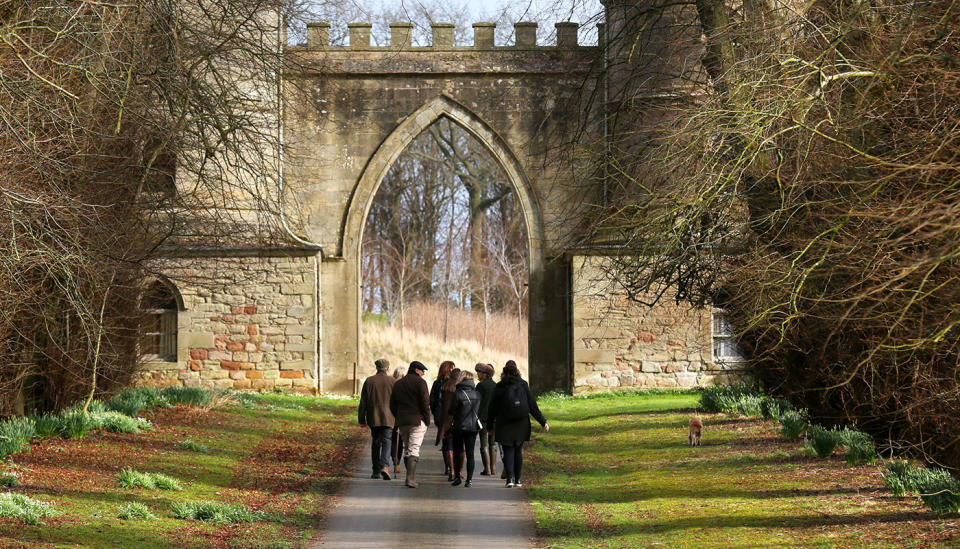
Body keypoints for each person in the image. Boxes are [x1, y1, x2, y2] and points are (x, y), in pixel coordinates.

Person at [486, 360, 549, 488]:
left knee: (508, 451)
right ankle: (518, 480)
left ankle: (509, 479)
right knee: (518, 451)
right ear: (517, 371)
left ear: (504, 372)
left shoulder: (499, 386)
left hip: (504, 422)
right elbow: (532, 406)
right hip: (522, 422)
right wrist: (543, 422)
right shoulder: (523, 385)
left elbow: (492, 408)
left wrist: (489, 426)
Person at [389, 361, 431, 488]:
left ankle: (409, 477)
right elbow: (425, 403)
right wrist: (427, 420)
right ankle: (410, 479)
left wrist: (398, 416)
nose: (423, 373)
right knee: (414, 448)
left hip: (402, 421)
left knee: (407, 448)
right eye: (422, 371)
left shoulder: (398, 384)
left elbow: (392, 404)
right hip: (417, 420)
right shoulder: (420, 383)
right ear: (417, 370)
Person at [357, 358, 396, 480]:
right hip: (389, 417)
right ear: (388, 368)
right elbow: (398, 401)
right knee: (387, 441)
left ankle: (375, 471)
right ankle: (385, 466)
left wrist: (361, 419)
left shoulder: (369, 381)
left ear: (376, 368)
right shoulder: (393, 381)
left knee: (376, 443)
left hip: (373, 417)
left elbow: (363, 402)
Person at [448, 370, 482, 487]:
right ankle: (469, 480)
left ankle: (457, 477)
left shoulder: (457, 394)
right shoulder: (477, 394)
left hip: (459, 427)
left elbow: (452, 411)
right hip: (473, 427)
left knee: (458, 452)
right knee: (470, 453)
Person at [436, 368, 464, 481]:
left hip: (446, 420)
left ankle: (451, 471)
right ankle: (460, 471)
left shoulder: (444, 387)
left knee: (449, 447)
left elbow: (439, 403)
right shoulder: (460, 388)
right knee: (461, 447)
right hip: (458, 419)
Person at [430, 361, 455, 477]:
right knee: (451, 442)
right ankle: (452, 468)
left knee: (445, 441)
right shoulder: (454, 383)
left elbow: (432, 401)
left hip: (440, 416)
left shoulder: (437, 383)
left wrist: (436, 413)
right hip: (451, 416)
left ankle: (447, 467)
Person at [474, 363, 497, 476]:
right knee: (493, 443)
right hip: (495, 419)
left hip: (482, 418)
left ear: (485, 374)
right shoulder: (496, 385)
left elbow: (476, 402)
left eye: (479, 372)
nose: (477, 374)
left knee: (484, 444)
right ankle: (493, 468)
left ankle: (487, 469)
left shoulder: (480, 386)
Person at [390, 367, 405, 474]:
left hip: (392, 415)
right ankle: (396, 462)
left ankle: (395, 461)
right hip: (399, 415)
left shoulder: (391, 383)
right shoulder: (403, 386)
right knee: (398, 440)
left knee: (394, 440)